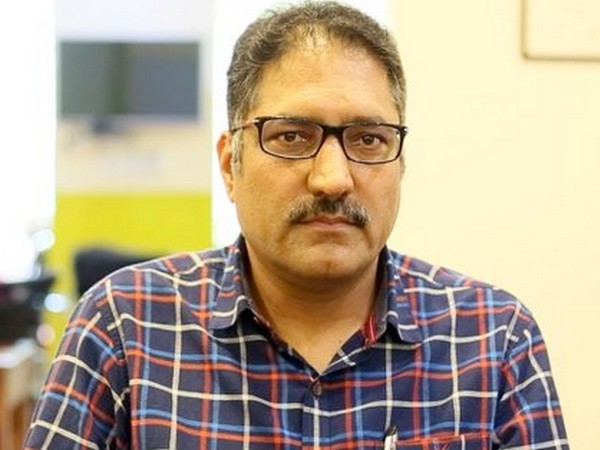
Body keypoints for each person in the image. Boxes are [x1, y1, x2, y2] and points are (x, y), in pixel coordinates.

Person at [25, 1, 569, 448]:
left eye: (368, 139)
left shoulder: (493, 337)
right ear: (230, 165)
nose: (332, 179)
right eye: (291, 137)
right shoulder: (123, 327)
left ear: (400, 163)